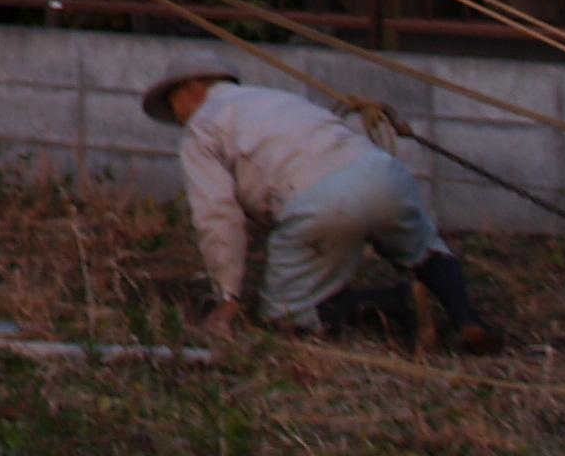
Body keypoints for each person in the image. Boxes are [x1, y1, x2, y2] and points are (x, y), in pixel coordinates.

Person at [146, 64, 500, 352]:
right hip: (381, 172)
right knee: (424, 247)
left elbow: (216, 215)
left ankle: (398, 301)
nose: (176, 116)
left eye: (172, 103)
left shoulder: (201, 129)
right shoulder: (274, 97)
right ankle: (467, 318)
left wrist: (226, 296)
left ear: (190, 89)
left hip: (317, 200)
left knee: (283, 316)